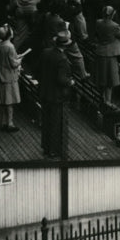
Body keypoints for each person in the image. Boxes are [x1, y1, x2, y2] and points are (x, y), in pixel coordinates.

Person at [40, 30, 74, 159]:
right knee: (56, 124)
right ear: (65, 45)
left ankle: (46, 148)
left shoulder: (45, 52)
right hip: (57, 96)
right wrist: (70, 82)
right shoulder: (62, 59)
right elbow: (61, 79)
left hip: (45, 93)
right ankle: (54, 150)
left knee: (46, 122)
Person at [0, 25, 24, 132]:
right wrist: (20, 59)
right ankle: (10, 123)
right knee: (9, 103)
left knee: (2, 102)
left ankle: (2, 122)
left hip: (1, 76)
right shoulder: (10, 47)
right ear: (9, 35)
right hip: (9, 78)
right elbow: (13, 63)